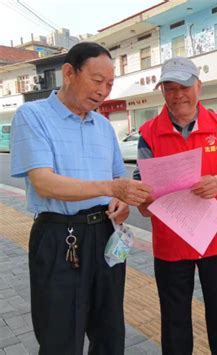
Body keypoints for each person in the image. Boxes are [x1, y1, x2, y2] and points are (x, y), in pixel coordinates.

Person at [9, 42, 152, 354]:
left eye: (110, 84)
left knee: (110, 331)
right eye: (97, 81)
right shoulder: (33, 115)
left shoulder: (103, 126)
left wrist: (122, 201)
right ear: (69, 73)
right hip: (59, 235)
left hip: (106, 234)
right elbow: (44, 183)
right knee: (60, 336)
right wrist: (111, 189)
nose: (103, 91)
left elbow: (117, 180)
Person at [133, 56, 217, 355]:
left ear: (199, 86)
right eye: (169, 88)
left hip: (216, 238)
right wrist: (143, 200)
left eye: (184, 86)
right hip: (171, 239)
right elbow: (140, 177)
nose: (178, 94)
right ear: (162, 92)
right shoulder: (149, 132)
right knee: (174, 318)